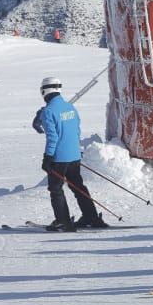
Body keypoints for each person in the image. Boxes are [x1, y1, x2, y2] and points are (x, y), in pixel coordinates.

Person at [37, 77, 105, 231]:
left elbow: (52, 137)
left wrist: (47, 157)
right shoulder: (70, 108)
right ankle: (91, 216)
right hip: (74, 155)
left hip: (59, 158)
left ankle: (63, 221)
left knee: (55, 189)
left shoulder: (48, 111)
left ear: (44, 91)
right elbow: (77, 130)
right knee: (78, 186)